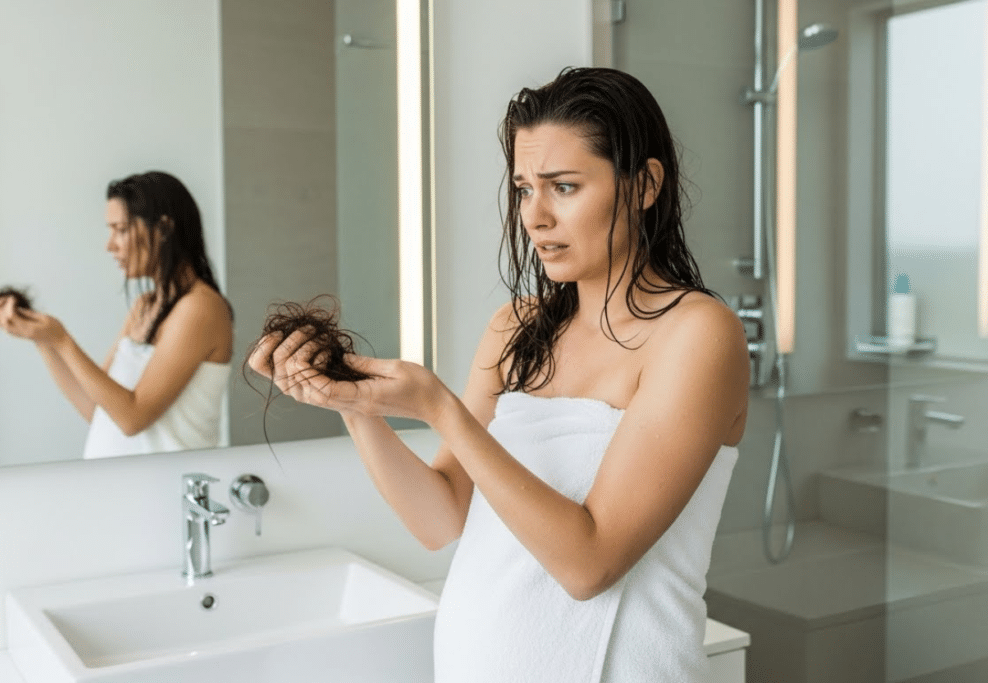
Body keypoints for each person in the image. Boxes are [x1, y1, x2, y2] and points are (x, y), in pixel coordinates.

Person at [249, 67, 749, 682]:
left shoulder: (697, 334)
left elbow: (589, 564)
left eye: (563, 187)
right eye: (522, 189)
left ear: (644, 185)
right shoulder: (516, 327)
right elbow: (439, 519)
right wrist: (356, 406)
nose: (534, 216)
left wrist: (440, 408)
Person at [0, 171, 234, 459]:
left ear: (163, 229)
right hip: (121, 488)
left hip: (169, 491)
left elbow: (132, 418)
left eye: (120, 230)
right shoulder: (145, 306)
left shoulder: (201, 308)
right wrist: (42, 339)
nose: (111, 245)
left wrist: (61, 340)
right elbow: (95, 408)